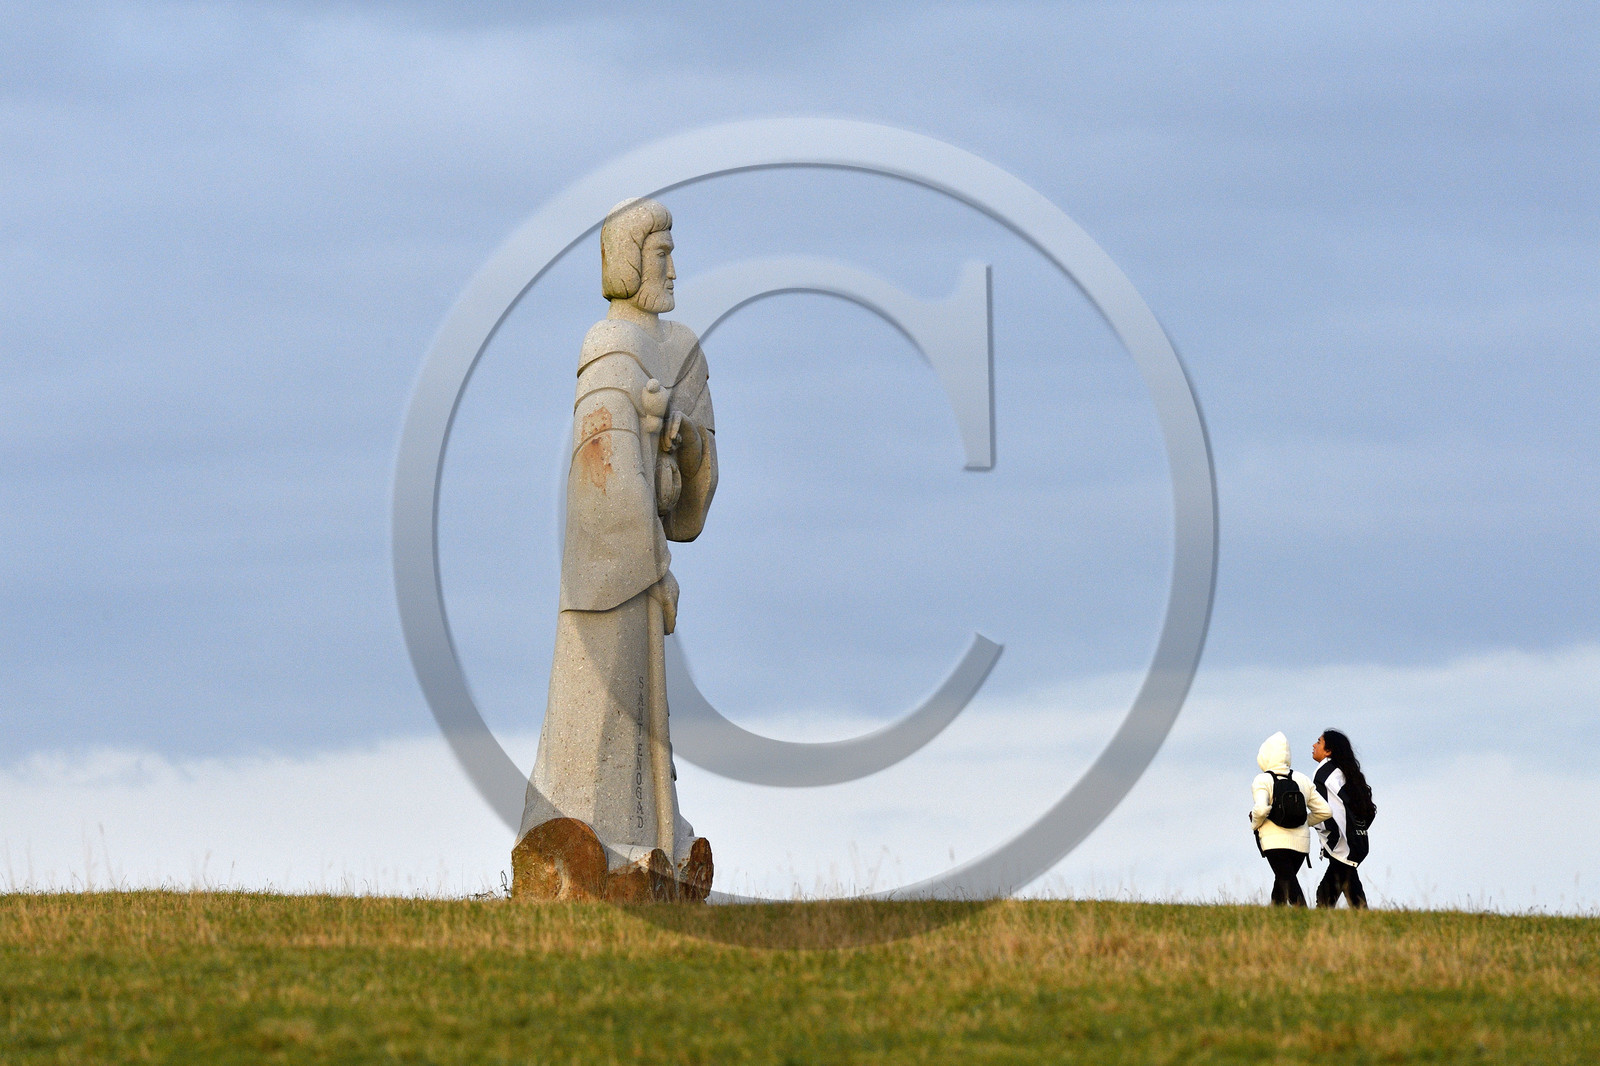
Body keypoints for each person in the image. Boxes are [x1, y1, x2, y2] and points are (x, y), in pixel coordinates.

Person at [519, 198, 718, 888]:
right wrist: (650, 563)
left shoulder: (682, 349)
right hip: (613, 573)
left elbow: (695, 491)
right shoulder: (607, 348)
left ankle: (651, 843)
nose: (671, 268)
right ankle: (587, 843)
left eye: (671, 252)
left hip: (644, 561)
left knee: (643, 714)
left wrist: (677, 438)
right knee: (596, 702)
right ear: (628, 263)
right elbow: (601, 472)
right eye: (660, 254)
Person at [1249, 732, 1331, 906]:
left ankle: (1308, 923)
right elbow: (1325, 811)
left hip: (1274, 843)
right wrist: (1304, 822)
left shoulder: (1262, 780)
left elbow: (1261, 809)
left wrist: (1255, 825)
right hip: (1300, 845)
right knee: (1282, 885)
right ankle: (1273, 924)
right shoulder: (1303, 779)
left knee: (1290, 887)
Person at [1311, 729, 1376, 908]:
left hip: (1341, 844)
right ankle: (1368, 930)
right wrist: (1356, 831)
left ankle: (1318, 933)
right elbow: (1367, 811)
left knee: (1325, 894)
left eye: (1319, 742)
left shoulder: (1324, 773)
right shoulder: (1345, 773)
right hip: (1354, 842)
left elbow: (1323, 808)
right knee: (1352, 891)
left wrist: (1307, 822)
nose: (1314, 745)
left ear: (1328, 751)